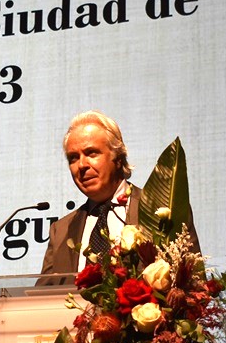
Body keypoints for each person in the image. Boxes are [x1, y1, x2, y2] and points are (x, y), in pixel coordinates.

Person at [41, 110, 198, 275]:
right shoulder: (61, 231)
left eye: (91, 153)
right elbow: (43, 290)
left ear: (118, 157)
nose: (81, 165)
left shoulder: (165, 212)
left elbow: (193, 280)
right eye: (73, 158)